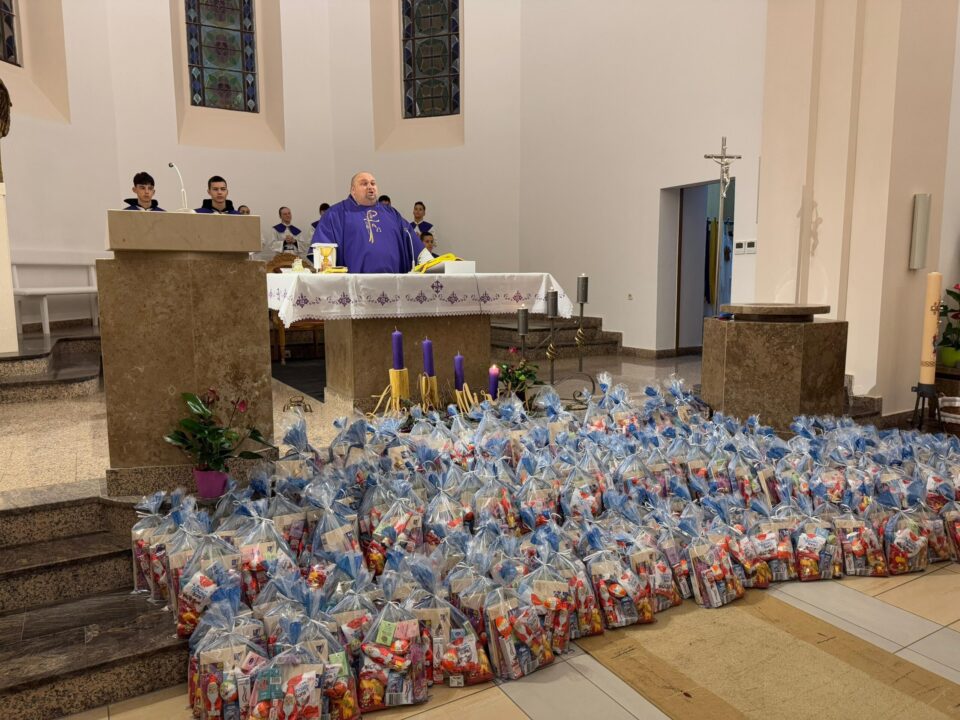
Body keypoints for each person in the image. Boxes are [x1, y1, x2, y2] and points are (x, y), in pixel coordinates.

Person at [311, 171, 431, 273]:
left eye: (373, 183)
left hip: (392, 285)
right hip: (353, 288)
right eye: (364, 184)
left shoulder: (391, 214)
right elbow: (323, 251)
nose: (370, 186)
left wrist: (431, 263)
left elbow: (411, 240)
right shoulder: (336, 214)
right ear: (353, 190)